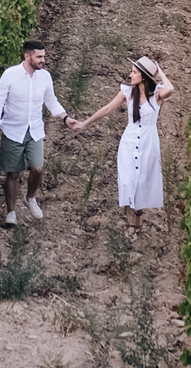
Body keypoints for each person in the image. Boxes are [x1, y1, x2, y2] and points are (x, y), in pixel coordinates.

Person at [71, 56, 174, 236]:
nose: (130, 75)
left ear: (144, 76)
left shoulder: (157, 94)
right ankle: (129, 221)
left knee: (142, 181)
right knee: (128, 180)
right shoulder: (128, 92)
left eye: (134, 72)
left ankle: (138, 219)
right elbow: (106, 109)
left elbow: (171, 89)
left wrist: (159, 70)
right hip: (129, 140)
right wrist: (85, 123)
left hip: (148, 143)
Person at [0, 39, 75, 226]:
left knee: (37, 168)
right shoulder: (10, 75)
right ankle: (10, 212)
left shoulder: (45, 77)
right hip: (12, 130)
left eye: (44, 56)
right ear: (27, 56)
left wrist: (65, 118)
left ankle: (30, 197)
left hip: (34, 130)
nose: (43, 60)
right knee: (13, 173)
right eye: (39, 57)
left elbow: (51, 101)